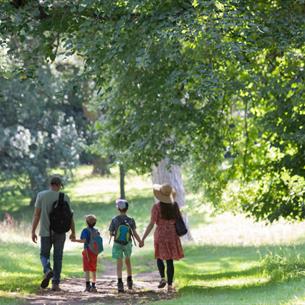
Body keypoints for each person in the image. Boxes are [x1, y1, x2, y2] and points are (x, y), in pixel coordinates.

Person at [31, 175, 76, 291]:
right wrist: (73, 232)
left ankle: (47, 270)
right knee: (58, 257)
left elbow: (36, 215)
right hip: (60, 232)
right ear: (60, 185)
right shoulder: (65, 197)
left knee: (44, 255)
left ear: (50, 184)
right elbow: (70, 217)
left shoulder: (41, 195)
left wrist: (33, 231)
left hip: (45, 232)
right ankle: (55, 284)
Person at [141, 183, 184, 293]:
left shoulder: (156, 207)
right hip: (172, 234)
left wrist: (143, 238)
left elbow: (151, 224)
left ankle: (162, 278)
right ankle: (169, 285)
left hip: (160, 234)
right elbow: (179, 219)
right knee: (169, 260)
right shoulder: (175, 206)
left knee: (160, 256)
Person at [109, 199, 142, 293]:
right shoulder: (131, 220)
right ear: (127, 208)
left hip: (117, 243)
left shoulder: (114, 220)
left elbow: (111, 233)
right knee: (128, 261)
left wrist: (115, 233)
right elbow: (134, 233)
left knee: (119, 264)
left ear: (118, 208)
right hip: (128, 243)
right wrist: (140, 241)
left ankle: (120, 283)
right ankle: (130, 281)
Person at [72, 214, 100, 292]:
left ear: (86, 222)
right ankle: (94, 286)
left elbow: (84, 240)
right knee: (93, 269)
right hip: (94, 252)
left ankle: (87, 286)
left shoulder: (85, 230)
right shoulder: (97, 231)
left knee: (87, 269)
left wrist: (75, 240)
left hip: (87, 252)